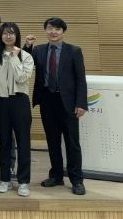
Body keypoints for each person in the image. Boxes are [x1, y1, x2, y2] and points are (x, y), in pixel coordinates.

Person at [27, 17, 87, 195]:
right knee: (52, 141)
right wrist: (27, 47)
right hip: (47, 100)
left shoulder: (74, 51)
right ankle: (56, 175)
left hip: (68, 102)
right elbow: (24, 62)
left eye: (57, 29)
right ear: (45, 30)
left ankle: (77, 180)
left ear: (63, 32)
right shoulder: (38, 50)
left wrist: (81, 103)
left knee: (72, 143)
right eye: (50, 28)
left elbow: (80, 79)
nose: (53, 32)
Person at [0, 22, 34, 197]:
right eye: (5, 33)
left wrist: (14, 57)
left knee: (23, 142)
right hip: (1, 103)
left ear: (17, 36)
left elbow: (22, 78)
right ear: (1, 36)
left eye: (12, 33)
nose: (8, 36)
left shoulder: (26, 56)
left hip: (20, 101)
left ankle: (23, 182)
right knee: (4, 142)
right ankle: (4, 179)